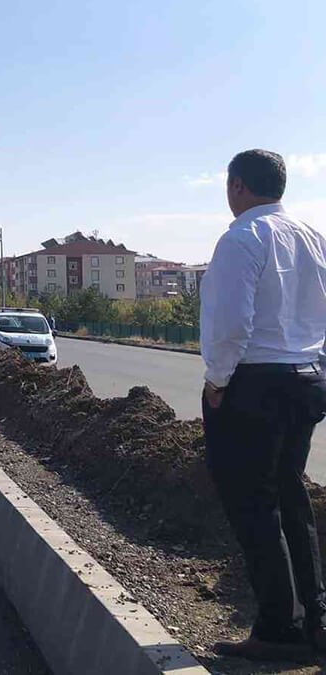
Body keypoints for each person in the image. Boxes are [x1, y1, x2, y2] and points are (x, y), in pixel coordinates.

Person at [201, 149, 326, 661]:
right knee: (289, 497)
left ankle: (277, 628)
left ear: (236, 187)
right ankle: (313, 619)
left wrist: (217, 382)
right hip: (309, 378)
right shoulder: (314, 238)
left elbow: (231, 323)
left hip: (254, 384)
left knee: (253, 505)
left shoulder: (242, 239)